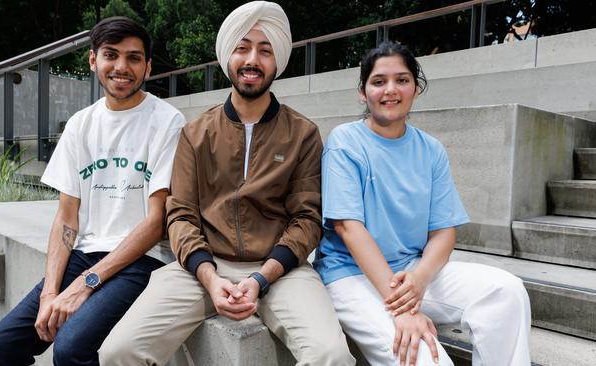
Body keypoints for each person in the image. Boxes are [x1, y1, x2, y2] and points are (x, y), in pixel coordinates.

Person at [99, 2, 355, 365]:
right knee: (117, 352)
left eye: (265, 50)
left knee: (332, 356)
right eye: (243, 47)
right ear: (227, 56)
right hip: (201, 266)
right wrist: (209, 276)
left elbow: (307, 220)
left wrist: (261, 278)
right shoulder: (195, 133)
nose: (252, 59)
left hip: (281, 269)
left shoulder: (303, 133)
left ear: (277, 61)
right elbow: (181, 215)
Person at [0, 16, 186, 366]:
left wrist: (84, 285)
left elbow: (156, 222)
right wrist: (50, 292)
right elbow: (66, 217)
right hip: (85, 255)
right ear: (93, 61)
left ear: (148, 67)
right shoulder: (80, 124)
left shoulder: (167, 121)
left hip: (142, 260)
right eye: (111, 55)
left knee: (72, 349)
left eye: (134, 58)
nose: (122, 67)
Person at [313, 41, 532, 366]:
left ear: (416, 87)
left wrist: (419, 279)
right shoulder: (345, 142)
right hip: (351, 276)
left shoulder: (430, 150)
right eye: (378, 81)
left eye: (402, 80)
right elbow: (349, 228)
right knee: (428, 358)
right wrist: (403, 308)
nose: (391, 90)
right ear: (363, 92)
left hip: (411, 271)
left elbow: (443, 231)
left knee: (506, 291)